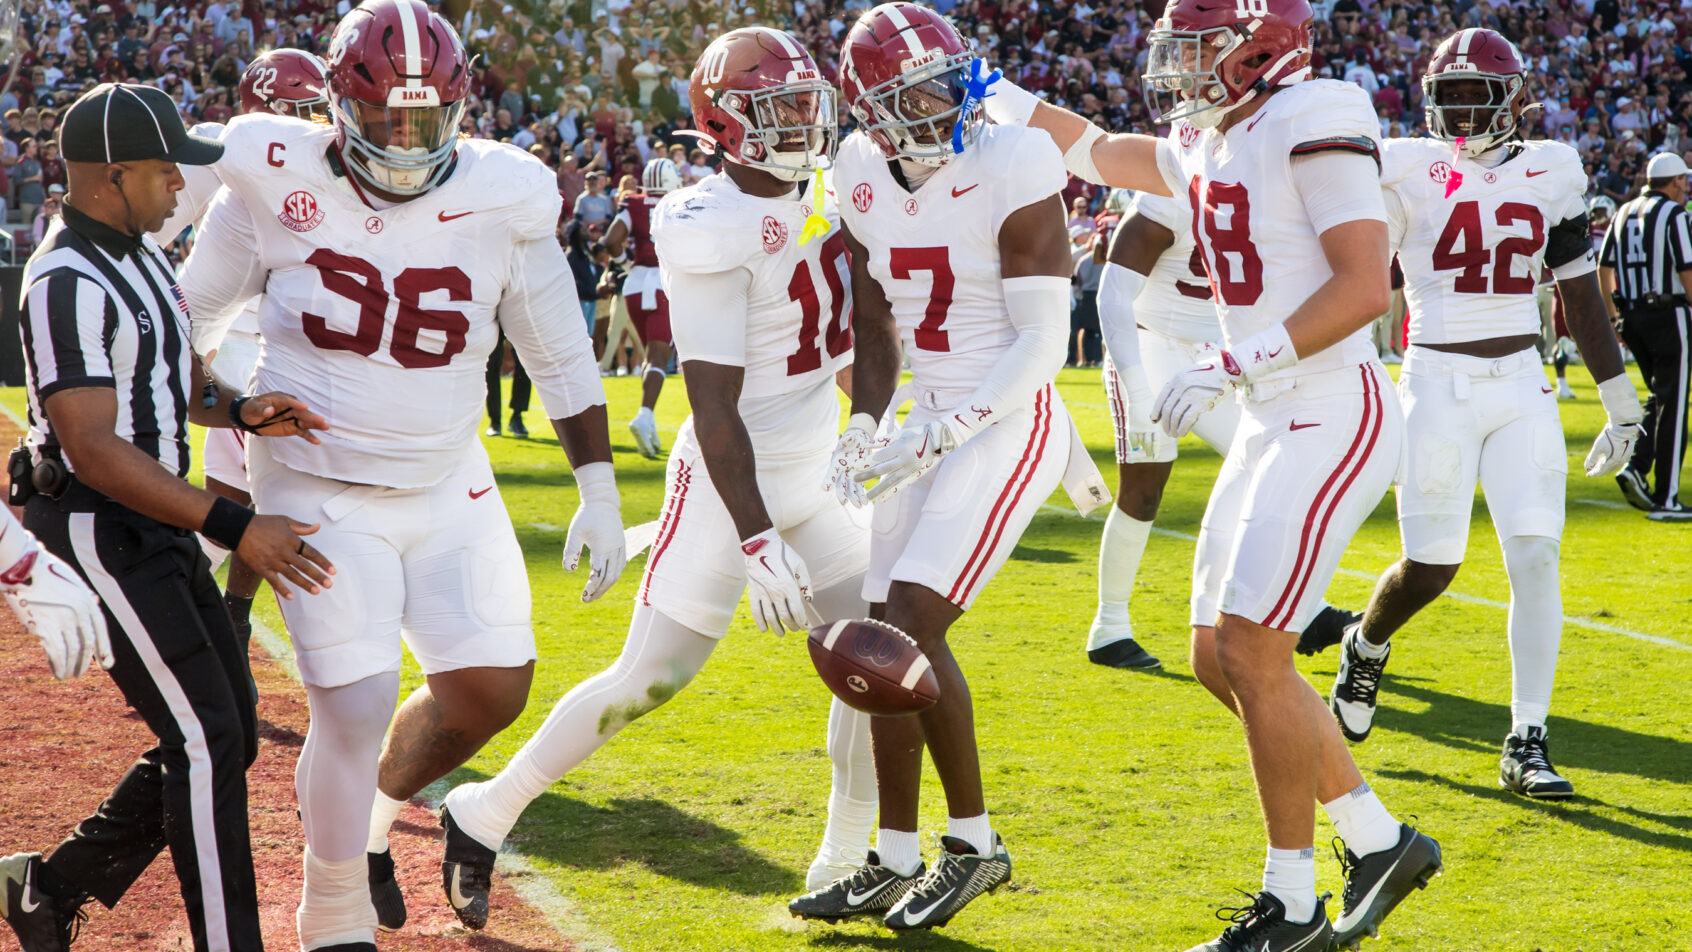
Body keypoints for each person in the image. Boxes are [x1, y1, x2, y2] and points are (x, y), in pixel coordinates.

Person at [984, 0, 1440, 947]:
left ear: (1262, 49)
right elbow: (1099, 148)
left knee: (1254, 652)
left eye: (1200, 49)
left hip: (1328, 406)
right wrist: (994, 95)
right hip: (1274, 413)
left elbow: (1364, 287)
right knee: (1213, 657)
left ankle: (1292, 902)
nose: (1180, 69)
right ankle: (1377, 836)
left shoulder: (1315, 113)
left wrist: (1235, 360)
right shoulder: (1207, 138)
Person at [176, 3, 626, 948]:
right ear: (338, 106)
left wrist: (597, 486)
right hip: (316, 481)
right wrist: (230, 406)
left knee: (494, 686)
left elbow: (558, 349)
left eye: (424, 120)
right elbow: (177, 331)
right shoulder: (270, 173)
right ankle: (330, 916)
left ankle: (372, 827)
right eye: (383, 118)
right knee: (356, 701)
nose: (404, 141)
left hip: (448, 476)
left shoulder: (507, 190)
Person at [440, 27, 880, 928]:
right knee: (649, 680)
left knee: (875, 655)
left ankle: (846, 853)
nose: (805, 124)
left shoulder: (838, 186)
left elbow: (872, 317)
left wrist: (868, 420)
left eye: (808, 104)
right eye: (781, 110)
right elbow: (714, 410)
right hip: (729, 482)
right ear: (726, 125)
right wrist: (757, 541)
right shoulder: (705, 221)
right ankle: (485, 811)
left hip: (820, 465)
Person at [4, 81, 332, 952]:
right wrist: (233, 525)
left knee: (223, 727)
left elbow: (173, 385)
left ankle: (52, 884)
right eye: (163, 172)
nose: (180, 189)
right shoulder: (62, 277)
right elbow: (92, 447)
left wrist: (244, 408)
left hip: (154, 520)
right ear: (111, 177)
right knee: (206, 736)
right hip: (97, 526)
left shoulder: (143, 255)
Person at [796, 2, 1079, 930]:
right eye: (909, 91)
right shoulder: (856, 168)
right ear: (867, 106)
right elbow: (875, 315)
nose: (936, 100)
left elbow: (1044, 340)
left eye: (944, 78)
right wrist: (868, 419)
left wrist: (949, 426)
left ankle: (976, 846)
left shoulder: (1014, 155)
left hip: (1007, 410)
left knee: (907, 628)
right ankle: (894, 855)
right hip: (923, 412)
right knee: (877, 635)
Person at [1326, 28, 1645, 805]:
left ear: (1512, 97)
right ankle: (1365, 645)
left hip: (1522, 381)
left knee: (1535, 559)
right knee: (1433, 565)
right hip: (1434, 376)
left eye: (1478, 94)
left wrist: (1622, 403)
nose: (1463, 111)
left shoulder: (1551, 169)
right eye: (1451, 95)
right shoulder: (1404, 169)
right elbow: (1364, 278)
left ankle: (1526, 739)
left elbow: (1578, 294)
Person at [1088, 187, 1359, 671]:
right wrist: (1135, 387)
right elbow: (1112, 293)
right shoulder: (1167, 192)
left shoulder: (1258, 182)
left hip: (1213, 352)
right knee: (1144, 488)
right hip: (1148, 342)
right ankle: (1109, 627)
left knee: (1265, 464)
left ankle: (1299, 610)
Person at [149, 46, 331, 686]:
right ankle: (204, 606)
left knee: (263, 491)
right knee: (237, 492)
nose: (316, 121)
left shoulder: (335, 163)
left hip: (298, 343)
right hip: (229, 337)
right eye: (301, 109)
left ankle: (225, 610)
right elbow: (149, 234)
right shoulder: (217, 153)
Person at [1600, 151, 1692, 521]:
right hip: (1668, 313)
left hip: (1632, 316)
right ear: (1673, 182)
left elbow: (1603, 268)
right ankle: (1666, 497)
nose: (1685, 188)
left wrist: (1612, 317)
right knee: (1676, 405)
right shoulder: (1674, 215)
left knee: (1660, 395)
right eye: (1683, 181)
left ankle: (1636, 466)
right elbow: (1687, 269)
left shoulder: (1622, 212)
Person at [604, 156, 680, 458]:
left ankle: (649, 423)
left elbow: (611, 240)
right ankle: (645, 414)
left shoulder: (633, 203)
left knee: (651, 354)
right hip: (665, 279)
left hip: (635, 283)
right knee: (660, 356)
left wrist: (624, 264)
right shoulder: (677, 202)